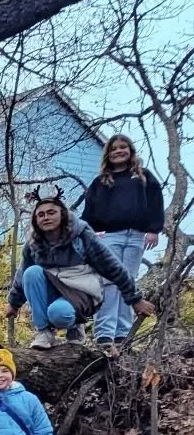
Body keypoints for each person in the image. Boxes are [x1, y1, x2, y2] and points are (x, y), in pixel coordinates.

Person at [5, 189, 154, 352]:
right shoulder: (34, 245)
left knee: (59, 313)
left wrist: (135, 299)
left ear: (62, 214)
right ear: (36, 220)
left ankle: (76, 325)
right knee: (31, 273)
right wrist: (14, 303)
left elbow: (111, 267)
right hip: (54, 288)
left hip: (81, 292)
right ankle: (44, 332)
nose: (46, 217)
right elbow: (22, 274)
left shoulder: (81, 237)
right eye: (41, 215)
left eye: (51, 212)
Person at [82, 135, 165, 351]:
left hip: (136, 236)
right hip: (110, 236)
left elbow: (156, 203)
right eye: (114, 148)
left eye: (123, 147)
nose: (119, 151)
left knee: (128, 282)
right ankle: (104, 334)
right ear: (108, 154)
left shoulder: (143, 177)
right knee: (109, 282)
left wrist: (153, 229)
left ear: (130, 150)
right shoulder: (101, 182)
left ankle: (123, 334)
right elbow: (88, 212)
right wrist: (89, 234)